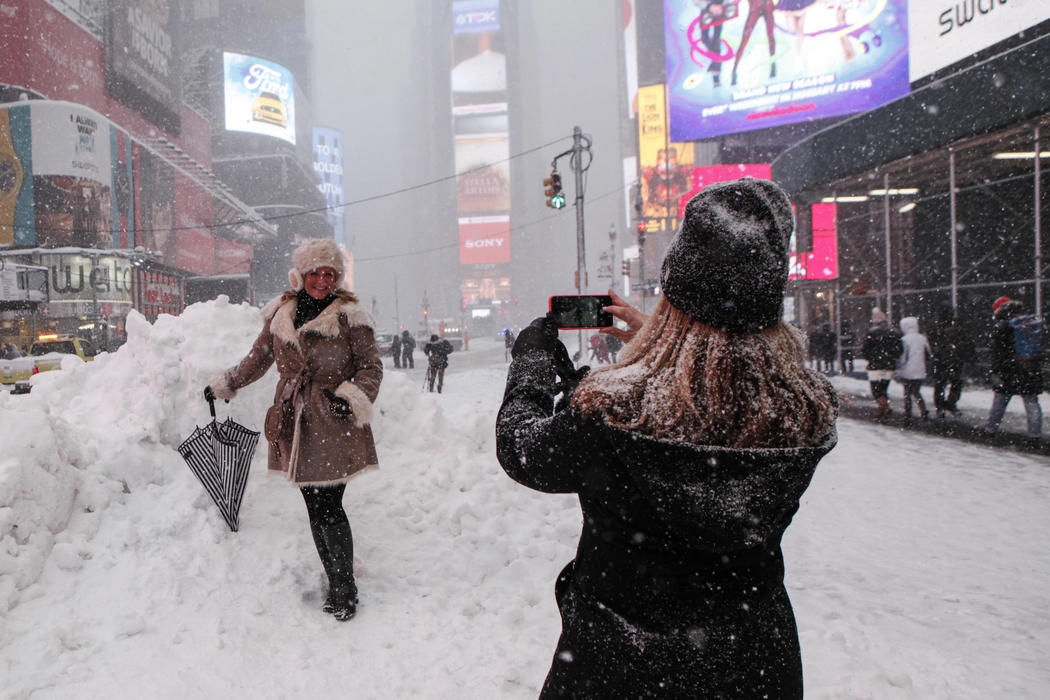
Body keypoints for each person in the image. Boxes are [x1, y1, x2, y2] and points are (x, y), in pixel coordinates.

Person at [497, 178, 838, 698]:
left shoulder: (612, 411)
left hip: (622, 664)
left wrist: (532, 365)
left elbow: (523, 449)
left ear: (675, 291)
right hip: (753, 663)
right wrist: (660, 342)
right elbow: (722, 380)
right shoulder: (802, 407)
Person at [205, 239, 383, 622]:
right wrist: (226, 382)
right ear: (301, 275)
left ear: (336, 278)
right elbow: (259, 359)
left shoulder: (351, 315)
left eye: (329, 274)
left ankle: (344, 588)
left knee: (330, 506)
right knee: (314, 506)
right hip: (293, 418)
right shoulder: (282, 313)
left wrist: (349, 397)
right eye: (315, 273)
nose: (321, 280)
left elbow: (371, 368)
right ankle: (336, 578)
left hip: (334, 420)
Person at [984, 296, 1044, 439]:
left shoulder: (1002, 327)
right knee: (1031, 402)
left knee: (1000, 401)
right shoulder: (1030, 322)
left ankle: (990, 430)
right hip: (1030, 367)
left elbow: (998, 353)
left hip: (1009, 370)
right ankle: (1034, 435)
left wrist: (996, 370)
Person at [927, 303, 970, 417]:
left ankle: (941, 406)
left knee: (941, 384)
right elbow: (964, 341)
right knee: (954, 383)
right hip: (953, 359)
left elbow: (932, 341)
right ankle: (950, 403)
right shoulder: (956, 326)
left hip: (942, 359)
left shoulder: (936, 327)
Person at [862, 307, 902, 422]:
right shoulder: (893, 332)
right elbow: (899, 349)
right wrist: (891, 357)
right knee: (883, 389)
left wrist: (871, 358)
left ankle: (885, 409)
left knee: (876, 390)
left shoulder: (872, 333)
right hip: (889, 365)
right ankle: (882, 411)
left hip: (875, 365)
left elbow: (865, 350)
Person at [896, 316, 932, 423]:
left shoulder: (904, 340)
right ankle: (923, 410)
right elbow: (928, 354)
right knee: (917, 392)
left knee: (907, 392)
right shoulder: (922, 338)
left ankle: (908, 414)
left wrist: (899, 367)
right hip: (920, 369)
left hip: (907, 370)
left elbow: (903, 356)